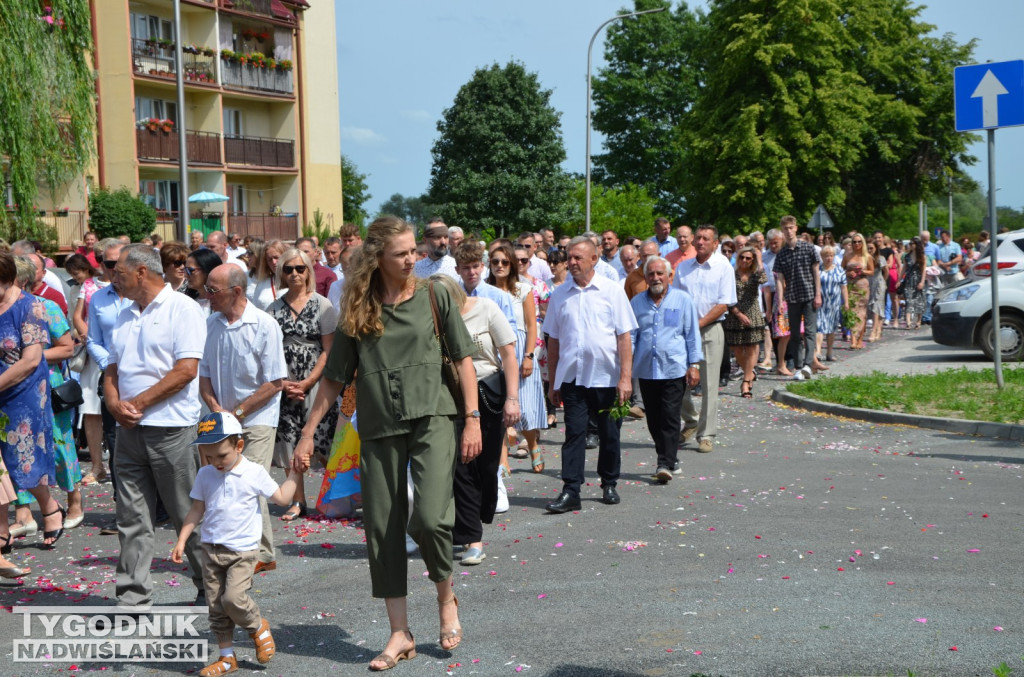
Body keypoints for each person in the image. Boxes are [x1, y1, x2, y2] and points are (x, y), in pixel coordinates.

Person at [291, 216, 481, 671]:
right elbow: (335, 379)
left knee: (434, 518)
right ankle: (400, 633)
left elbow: (464, 359)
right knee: (382, 527)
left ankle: (444, 594)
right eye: (401, 253)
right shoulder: (357, 309)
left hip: (434, 418)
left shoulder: (435, 295)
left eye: (414, 250)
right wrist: (306, 433)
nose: (412, 259)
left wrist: (472, 418)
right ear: (377, 258)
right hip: (378, 426)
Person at [105, 243, 208, 607]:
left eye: (118, 270)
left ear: (141, 272)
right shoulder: (124, 312)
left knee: (186, 513)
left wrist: (137, 403)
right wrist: (114, 402)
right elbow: (112, 368)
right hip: (130, 430)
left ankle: (209, 585)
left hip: (171, 429)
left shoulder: (183, 309)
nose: (113, 276)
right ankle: (132, 597)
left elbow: (186, 370)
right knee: (131, 517)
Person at [172, 412, 300, 677]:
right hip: (211, 550)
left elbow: (281, 497)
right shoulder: (206, 475)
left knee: (233, 598)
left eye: (222, 456)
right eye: (209, 457)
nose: (215, 462)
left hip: (242, 552)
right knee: (216, 607)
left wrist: (296, 474)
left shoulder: (253, 472)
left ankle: (257, 626)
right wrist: (182, 539)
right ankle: (227, 657)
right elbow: (197, 509)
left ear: (238, 446)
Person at [200, 265, 287, 574]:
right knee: (224, 482)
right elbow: (204, 376)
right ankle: (241, 549)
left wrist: (236, 413)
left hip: (257, 418)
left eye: (213, 290)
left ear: (236, 291)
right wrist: (215, 409)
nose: (207, 295)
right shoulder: (211, 323)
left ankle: (260, 552)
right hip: (223, 420)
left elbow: (274, 383)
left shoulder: (264, 325)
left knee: (248, 481)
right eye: (207, 289)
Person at [543, 236, 637, 512]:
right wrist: (552, 381)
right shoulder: (560, 294)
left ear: (594, 259)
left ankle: (609, 482)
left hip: (606, 377)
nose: (571, 262)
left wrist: (625, 378)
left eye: (577, 258)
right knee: (574, 434)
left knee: (609, 434)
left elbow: (624, 337)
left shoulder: (611, 290)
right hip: (573, 378)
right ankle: (571, 490)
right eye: (569, 257)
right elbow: (554, 341)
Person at [431, 275, 518, 566]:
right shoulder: (434, 320)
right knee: (462, 466)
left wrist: (513, 398)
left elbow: (508, 354)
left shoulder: (486, 308)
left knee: (486, 465)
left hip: (488, 394)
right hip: (452, 397)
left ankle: (477, 519)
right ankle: (472, 537)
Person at [9, 257, 84, 533]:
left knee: (60, 445)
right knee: (18, 449)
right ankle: (24, 513)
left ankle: (74, 500)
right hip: (13, 389)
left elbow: (66, 348)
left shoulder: (46, 307)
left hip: (47, 387)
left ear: (22, 281)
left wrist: (30, 358)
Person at [0, 250, 66, 555]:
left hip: (22, 394)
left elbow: (31, 360)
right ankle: (2, 532)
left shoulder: (30, 306)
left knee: (21, 460)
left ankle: (49, 507)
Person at [267, 248, 338, 521]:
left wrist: (308, 381)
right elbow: (268, 351)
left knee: (322, 441)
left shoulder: (323, 305)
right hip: (285, 384)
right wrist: (284, 383)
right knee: (288, 443)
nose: (295, 274)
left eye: (300, 268)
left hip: (317, 382)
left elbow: (328, 350)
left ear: (309, 270)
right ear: (281, 273)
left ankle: (333, 497)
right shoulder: (273, 309)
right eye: (288, 269)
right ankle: (297, 502)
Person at [630, 256, 701, 482]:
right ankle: (669, 456)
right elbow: (631, 336)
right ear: (645, 277)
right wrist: (624, 365)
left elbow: (691, 335)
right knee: (653, 418)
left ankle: (665, 462)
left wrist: (694, 365)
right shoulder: (637, 303)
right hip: (646, 369)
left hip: (674, 367)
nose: (655, 278)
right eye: (651, 274)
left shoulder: (683, 300)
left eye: (660, 273)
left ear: (669, 276)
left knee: (670, 416)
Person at [673, 224, 736, 453]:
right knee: (678, 380)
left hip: (711, 329)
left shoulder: (723, 267)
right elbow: (676, 299)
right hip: (684, 332)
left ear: (715, 243)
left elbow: (724, 303)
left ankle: (706, 434)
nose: (700, 242)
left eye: (705, 239)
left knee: (709, 383)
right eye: (697, 238)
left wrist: (698, 324)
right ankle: (690, 421)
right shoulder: (683, 268)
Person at [487, 242, 547, 472]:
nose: (499, 266)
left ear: (512, 265)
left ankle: (532, 444)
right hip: (494, 349)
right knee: (499, 404)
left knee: (525, 405)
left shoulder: (523, 289)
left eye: (504, 262)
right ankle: (503, 457)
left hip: (520, 347)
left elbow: (533, 326)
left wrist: (529, 356)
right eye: (495, 262)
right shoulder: (484, 290)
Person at [772, 216, 822, 381]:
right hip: (792, 297)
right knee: (794, 334)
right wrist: (780, 301)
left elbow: (816, 272)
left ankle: (808, 364)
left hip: (808, 294)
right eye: (785, 228)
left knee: (809, 331)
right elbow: (779, 279)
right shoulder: (782, 254)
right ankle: (800, 366)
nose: (788, 231)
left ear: (796, 228)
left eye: (791, 227)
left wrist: (818, 294)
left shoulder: (808, 248)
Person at [724, 246, 769, 398]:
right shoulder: (732, 273)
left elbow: (764, 280)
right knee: (736, 349)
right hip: (735, 312)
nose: (744, 260)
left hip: (752, 312)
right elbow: (726, 295)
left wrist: (760, 260)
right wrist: (737, 313)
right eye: (742, 257)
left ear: (752, 260)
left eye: (748, 258)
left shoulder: (756, 273)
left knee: (751, 347)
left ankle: (746, 381)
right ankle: (750, 372)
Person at [816, 245, 848, 362]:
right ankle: (818, 351)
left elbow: (844, 287)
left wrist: (846, 303)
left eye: (830, 255)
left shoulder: (839, 270)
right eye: (826, 256)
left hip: (834, 303)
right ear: (822, 257)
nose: (828, 258)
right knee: (819, 326)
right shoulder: (818, 269)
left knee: (831, 328)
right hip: (821, 302)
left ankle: (829, 353)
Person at [843, 233, 873, 350]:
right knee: (851, 311)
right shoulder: (848, 255)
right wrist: (848, 273)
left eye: (859, 241)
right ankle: (853, 339)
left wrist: (863, 271)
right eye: (854, 242)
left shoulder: (867, 256)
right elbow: (841, 269)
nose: (857, 244)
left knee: (862, 313)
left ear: (863, 243)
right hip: (850, 285)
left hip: (862, 286)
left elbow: (871, 271)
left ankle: (860, 339)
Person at [247, 239, 284, 311]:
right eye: (269, 259)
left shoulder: (294, 280)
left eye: (276, 257)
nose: (274, 262)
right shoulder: (262, 283)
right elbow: (255, 310)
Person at [899, 238, 927, 329]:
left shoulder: (922, 256)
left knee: (919, 301)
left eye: (912, 243)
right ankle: (908, 322)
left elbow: (923, 271)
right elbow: (904, 268)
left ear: (916, 245)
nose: (910, 245)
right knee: (909, 300)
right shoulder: (907, 256)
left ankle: (918, 321)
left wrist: (922, 282)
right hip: (909, 280)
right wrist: (899, 280)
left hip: (918, 280)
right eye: (910, 243)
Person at [185, 248, 223, 316]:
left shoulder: (222, 303)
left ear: (207, 269)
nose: (186, 275)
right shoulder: (186, 301)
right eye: (185, 270)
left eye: (190, 270)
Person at [867, 241, 888, 342]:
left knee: (876, 306)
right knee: (872, 307)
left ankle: (874, 330)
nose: (869, 250)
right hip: (869, 284)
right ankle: (879, 327)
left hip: (878, 283)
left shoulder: (880, 258)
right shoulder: (865, 259)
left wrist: (883, 281)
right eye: (868, 248)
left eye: (871, 248)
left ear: (875, 248)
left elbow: (886, 271)